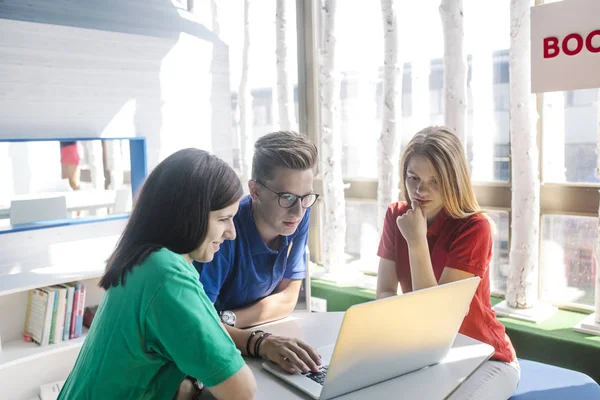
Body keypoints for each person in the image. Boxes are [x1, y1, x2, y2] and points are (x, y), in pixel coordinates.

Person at [57, 148, 318, 400]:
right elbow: (242, 390)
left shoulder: (146, 259)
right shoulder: (169, 277)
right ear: (189, 217)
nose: (231, 233)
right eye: (222, 219)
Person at [376, 126, 520, 400]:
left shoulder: (475, 228)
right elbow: (383, 292)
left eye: (435, 181)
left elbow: (436, 318)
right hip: (424, 354)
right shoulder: (396, 216)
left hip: (485, 357)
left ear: (453, 180)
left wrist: (416, 241)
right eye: (413, 178)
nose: (420, 190)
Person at [196, 131, 318, 329]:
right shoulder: (226, 230)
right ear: (255, 190)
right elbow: (203, 323)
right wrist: (258, 342)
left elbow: (287, 299)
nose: (298, 211)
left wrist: (230, 320)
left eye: (306, 197)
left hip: (244, 331)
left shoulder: (297, 214)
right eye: (286, 197)